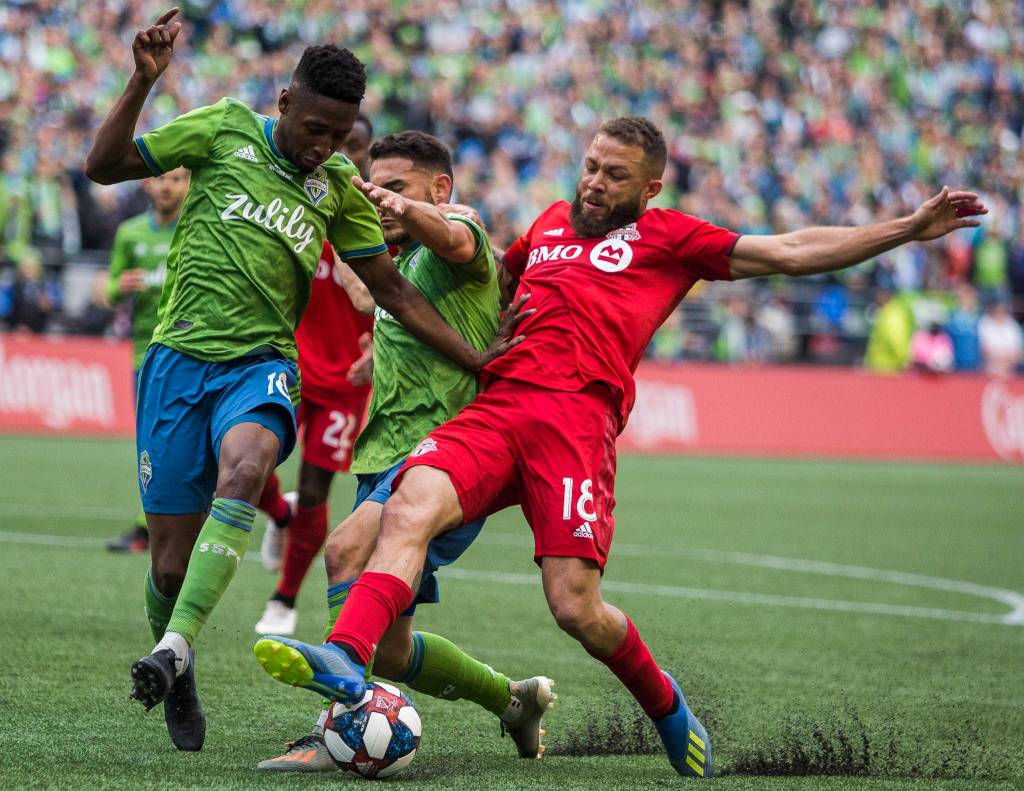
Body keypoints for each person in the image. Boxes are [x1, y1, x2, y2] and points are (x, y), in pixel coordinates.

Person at [256, 116, 987, 779]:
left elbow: (791, 249)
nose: (594, 183)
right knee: (406, 506)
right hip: (500, 407)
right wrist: (391, 350)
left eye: (614, 175)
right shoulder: (544, 224)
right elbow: (476, 287)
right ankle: (347, 660)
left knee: (575, 607)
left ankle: (666, 704)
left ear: (650, 187)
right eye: (590, 166)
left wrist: (907, 228)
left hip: (577, 425)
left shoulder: (672, 238)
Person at [84, 9, 524, 753]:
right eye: (315, 128)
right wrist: (141, 81)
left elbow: (394, 290)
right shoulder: (223, 129)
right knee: (166, 558)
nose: (324, 146)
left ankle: (176, 645)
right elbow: (104, 164)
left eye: (339, 134)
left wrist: (476, 358)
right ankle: (178, 660)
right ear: (285, 103)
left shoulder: (338, 186)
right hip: (176, 362)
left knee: (250, 468)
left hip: (261, 365)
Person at [255, 131, 552, 772]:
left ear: (439, 190)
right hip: (386, 454)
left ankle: (332, 731)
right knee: (390, 652)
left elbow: (458, 233)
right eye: (377, 187)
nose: (384, 201)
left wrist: (399, 210)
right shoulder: (401, 262)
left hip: (448, 459)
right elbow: (371, 293)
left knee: (343, 549)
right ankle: (512, 701)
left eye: (397, 189)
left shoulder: (458, 238)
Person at [253, 239, 374, 637]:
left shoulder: (374, 238)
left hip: (347, 383)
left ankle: (284, 598)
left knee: (313, 489)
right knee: (249, 462)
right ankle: (280, 514)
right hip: (289, 367)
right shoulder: (307, 227)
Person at [105, 167, 190, 553]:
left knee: (191, 444)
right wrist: (117, 287)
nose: (168, 186)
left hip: (192, 348)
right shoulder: (130, 233)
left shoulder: (196, 227)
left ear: (189, 184)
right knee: (151, 443)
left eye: (177, 179)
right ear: (147, 183)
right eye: (161, 179)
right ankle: (148, 526)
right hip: (146, 355)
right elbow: (108, 290)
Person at [978, 297, 1023, 377]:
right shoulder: (985, 323)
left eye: (1002, 310)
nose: (1000, 313)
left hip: (1010, 366)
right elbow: (984, 348)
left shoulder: (1013, 325)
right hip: (989, 364)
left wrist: (1006, 362)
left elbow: (1017, 351)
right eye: (998, 310)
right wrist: (997, 361)